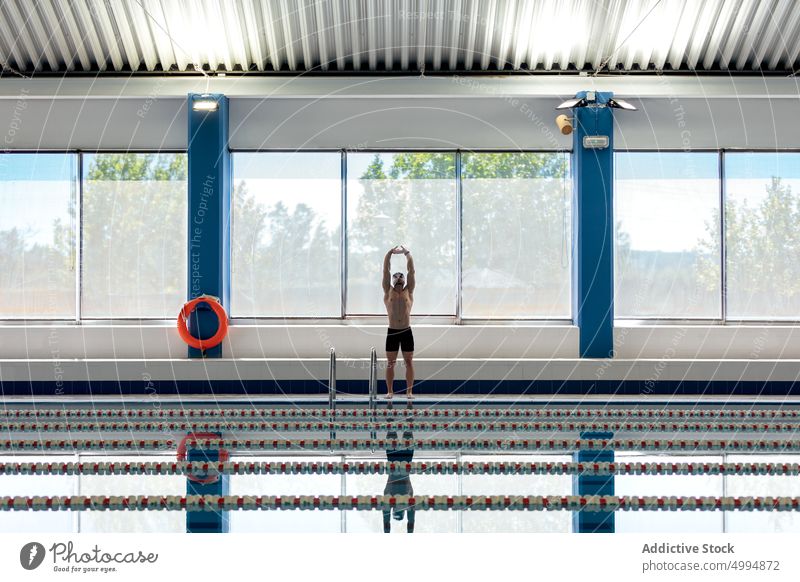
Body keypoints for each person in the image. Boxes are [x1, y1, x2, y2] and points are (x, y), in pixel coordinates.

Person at [382, 245, 415, 398]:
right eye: (397, 277)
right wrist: (389, 254)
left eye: (401, 276)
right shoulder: (388, 292)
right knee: (391, 363)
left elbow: (412, 271)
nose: (399, 278)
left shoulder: (409, 291)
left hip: (406, 331)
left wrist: (407, 254)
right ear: (394, 280)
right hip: (393, 331)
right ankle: (390, 391)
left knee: (409, 362)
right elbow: (385, 272)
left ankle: (409, 391)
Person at [383, 401, 415, 533]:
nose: (399, 507)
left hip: (394, 460)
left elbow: (385, 521)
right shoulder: (409, 500)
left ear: (393, 509)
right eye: (402, 511)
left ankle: (390, 401)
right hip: (405, 460)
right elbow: (411, 521)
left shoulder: (388, 497)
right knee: (408, 427)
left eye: (396, 510)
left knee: (391, 427)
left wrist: (387, 532)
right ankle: (409, 401)